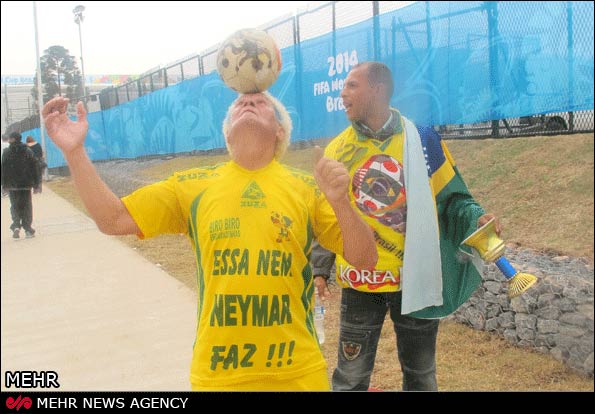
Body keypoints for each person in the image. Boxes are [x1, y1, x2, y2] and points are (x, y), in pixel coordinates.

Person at [42, 94, 377, 391]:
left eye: (262, 102)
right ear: (227, 133)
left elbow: (365, 260)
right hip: (219, 376)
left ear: (279, 131)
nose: (248, 102)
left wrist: (341, 202)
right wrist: (74, 152)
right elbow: (112, 219)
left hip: (298, 373)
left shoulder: (307, 188)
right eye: (239, 104)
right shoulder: (190, 186)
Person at [311, 62, 501, 391]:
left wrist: (476, 218)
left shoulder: (423, 140)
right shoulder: (336, 150)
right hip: (360, 284)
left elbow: (453, 199)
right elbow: (328, 217)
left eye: (352, 85)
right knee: (350, 378)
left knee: (421, 375)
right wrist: (320, 268)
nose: (342, 93)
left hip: (415, 282)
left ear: (378, 90)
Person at [1, 132, 41, 239]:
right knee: (27, 206)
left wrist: (4, 185)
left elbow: (3, 170)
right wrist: (36, 184)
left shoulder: (6, 152)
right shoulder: (28, 151)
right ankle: (28, 229)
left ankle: (16, 226)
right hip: (26, 184)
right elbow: (34, 168)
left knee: (14, 205)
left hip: (12, 185)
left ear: (12, 139)